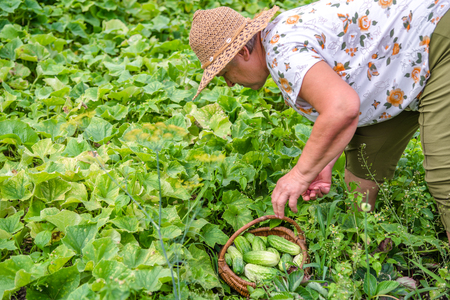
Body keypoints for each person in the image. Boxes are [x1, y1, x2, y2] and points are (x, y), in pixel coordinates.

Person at [188, 0, 450, 243]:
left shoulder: (283, 55)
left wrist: (300, 175)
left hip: (436, 42)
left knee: (443, 178)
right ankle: (370, 250)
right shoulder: (278, 38)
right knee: (361, 173)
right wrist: (322, 162)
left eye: (225, 73)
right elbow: (342, 98)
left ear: (244, 52)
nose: (230, 83)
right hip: (397, 67)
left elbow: (343, 108)